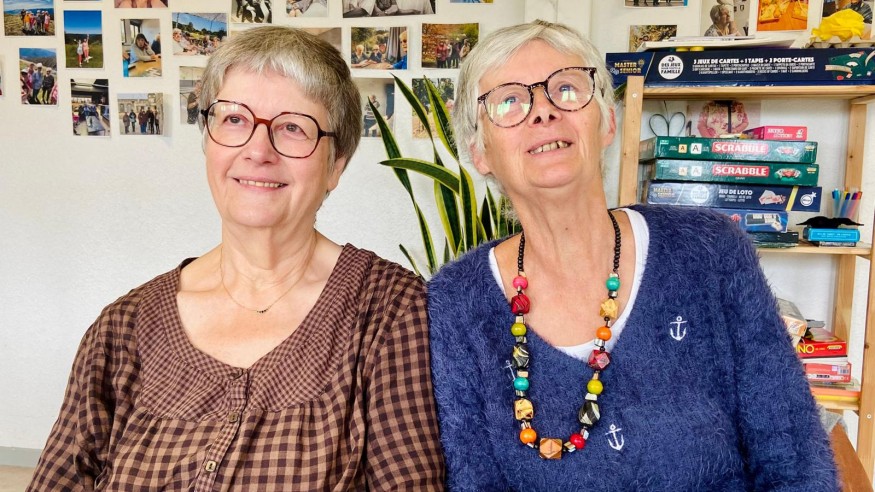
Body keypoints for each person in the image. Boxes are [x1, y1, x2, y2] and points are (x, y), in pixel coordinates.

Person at [28, 25, 445, 491]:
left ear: (336, 166)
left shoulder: (388, 310)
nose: (257, 151)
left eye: (293, 127)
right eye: (234, 120)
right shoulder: (122, 329)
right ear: (208, 142)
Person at [427, 20, 839, 490]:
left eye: (566, 89)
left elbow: (796, 462)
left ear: (607, 122)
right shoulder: (454, 304)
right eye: (509, 101)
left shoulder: (709, 251)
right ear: (480, 152)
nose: (542, 111)